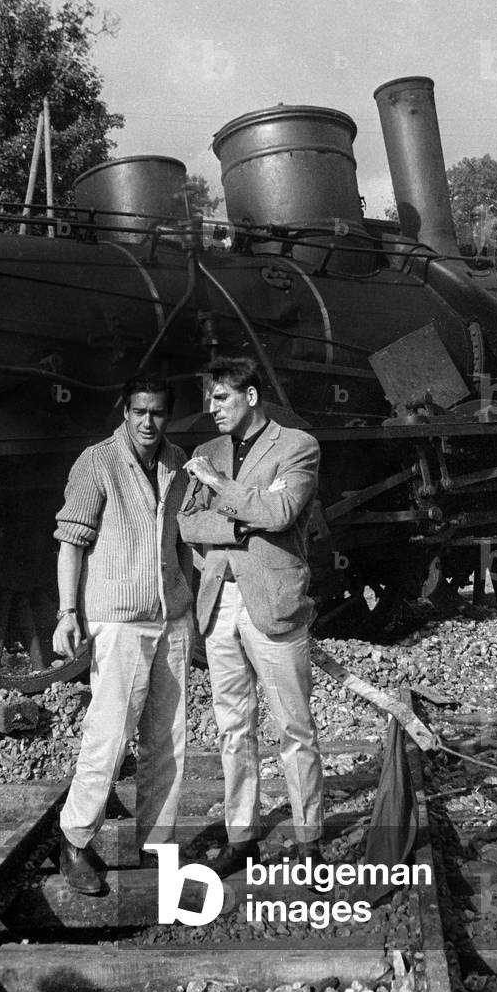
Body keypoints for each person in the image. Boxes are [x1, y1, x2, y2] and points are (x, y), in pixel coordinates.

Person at [178, 356, 324, 877]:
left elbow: (282, 514)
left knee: (294, 727)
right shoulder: (204, 451)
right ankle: (242, 836)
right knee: (232, 727)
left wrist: (220, 487)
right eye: (209, 398)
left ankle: (309, 842)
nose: (211, 408)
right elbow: (188, 524)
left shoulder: (297, 446)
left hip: (273, 602)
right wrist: (240, 526)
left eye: (222, 398)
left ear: (251, 397)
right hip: (219, 604)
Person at [53, 374, 193, 894]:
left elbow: (184, 544)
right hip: (119, 617)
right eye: (140, 412)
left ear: (168, 415)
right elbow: (70, 540)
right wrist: (68, 611)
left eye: (157, 412)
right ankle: (74, 841)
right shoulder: (97, 462)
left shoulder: (179, 463)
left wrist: (190, 609)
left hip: (172, 617)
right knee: (110, 734)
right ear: (125, 412)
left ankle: (157, 846)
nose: (148, 422)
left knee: (169, 739)